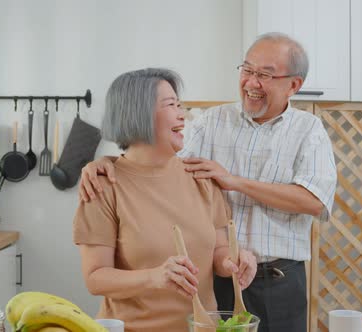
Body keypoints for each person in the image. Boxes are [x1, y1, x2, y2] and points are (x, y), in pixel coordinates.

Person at [78, 33, 337, 332]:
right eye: (247, 70)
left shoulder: (308, 130)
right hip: (221, 282)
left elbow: (315, 201)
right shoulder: (212, 121)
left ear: (294, 85)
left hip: (277, 280)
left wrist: (234, 182)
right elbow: (151, 156)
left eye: (265, 74)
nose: (252, 82)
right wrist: (105, 163)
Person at [72, 68, 257, 332]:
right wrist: (155, 277)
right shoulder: (102, 185)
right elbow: (95, 278)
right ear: (139, 113)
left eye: (179, 105)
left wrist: (233, 261)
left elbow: (218, 250)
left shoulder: (200, 177)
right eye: (171, 105)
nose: (182, 114)